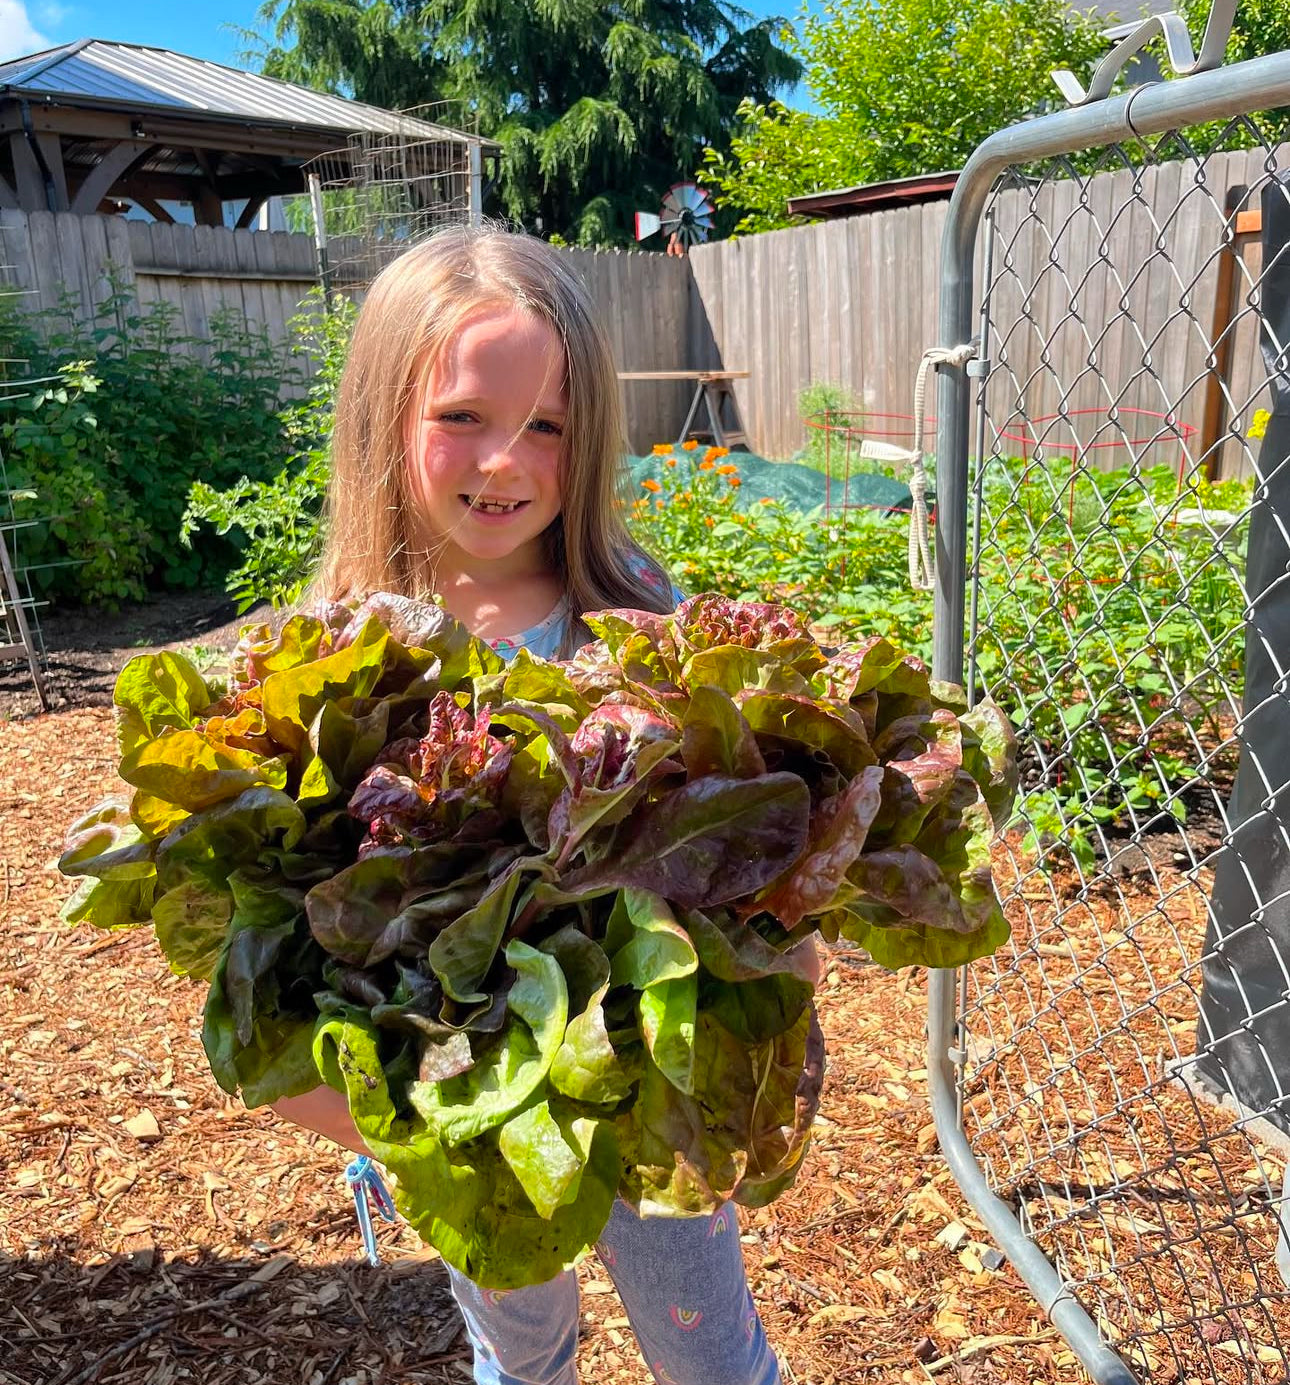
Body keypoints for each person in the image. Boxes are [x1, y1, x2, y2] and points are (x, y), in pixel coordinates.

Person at [271, 223, 784, 1385]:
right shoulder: (336, 664)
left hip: (647, 1091)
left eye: (544, 426)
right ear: (382, 420)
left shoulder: (640, 613)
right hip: (469, 1110)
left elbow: (747, 848)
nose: (504, 461)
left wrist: (770, 1002)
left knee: (707, 1349)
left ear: (588, 436)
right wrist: (390, 1113)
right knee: (521, 1345)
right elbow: (280, 938)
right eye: (461, 416)